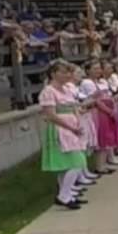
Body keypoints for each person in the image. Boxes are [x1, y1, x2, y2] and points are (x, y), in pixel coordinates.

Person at [39, 60, 87, 210]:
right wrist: (70, 127)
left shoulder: (67, 89)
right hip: (60, 128)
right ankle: (64, 195)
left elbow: (74, 107)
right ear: (53, 74)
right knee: (77, 162)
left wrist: (78, 122)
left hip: (72, 127)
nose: (66, 75)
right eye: (63, 72)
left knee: (67, 164)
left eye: (68, 72)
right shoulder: (48, 91)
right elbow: (51, 114)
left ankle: (66, 194)